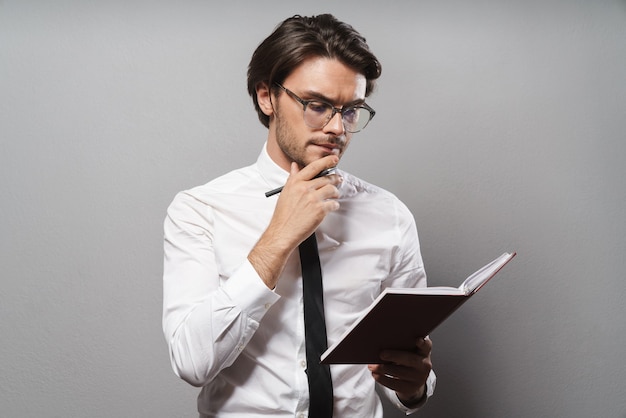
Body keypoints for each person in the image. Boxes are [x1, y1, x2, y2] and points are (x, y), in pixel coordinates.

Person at [163, 14, 436, 417]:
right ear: (266, 97)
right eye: (317, 105)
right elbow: (191, 362)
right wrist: (279, 236)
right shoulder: (200, 210)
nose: (336, 128)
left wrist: (414, 387)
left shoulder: (389, 216)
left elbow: (406, 371)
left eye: (350, 110)